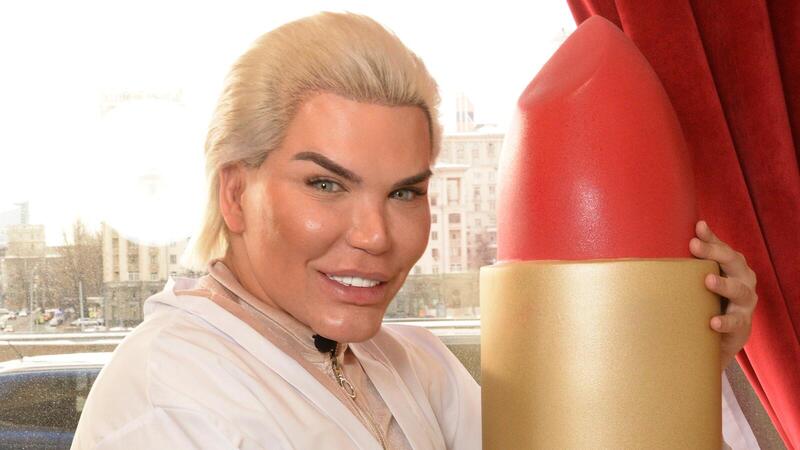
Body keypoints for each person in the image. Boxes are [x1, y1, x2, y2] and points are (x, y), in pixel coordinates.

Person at [71, 12, 758, 450]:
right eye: (326, 185)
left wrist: (674, 360)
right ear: (235, 194)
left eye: (405, 192)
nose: (376, 235)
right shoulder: (164, 404)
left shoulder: (413, 363)